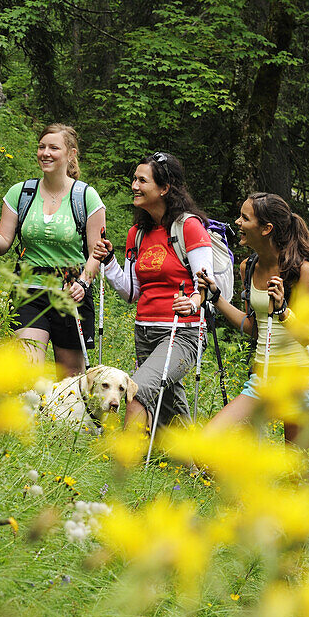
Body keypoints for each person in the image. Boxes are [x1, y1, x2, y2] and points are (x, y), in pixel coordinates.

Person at [91, 152, 213, 430]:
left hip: (182, 333)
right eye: (134, 179)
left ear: (164, 188)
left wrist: (193, 303)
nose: (134, 185)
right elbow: (131, 292)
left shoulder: (189, 227)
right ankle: (194, 464)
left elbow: (205, 283)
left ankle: (123, 463)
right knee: (168, 406)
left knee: (136, 392)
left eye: (142, 180)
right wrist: (109, 262)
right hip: (145, 331)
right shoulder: (137, 233)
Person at [0, 124, 106, 378]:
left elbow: (97, 253)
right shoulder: (21, 193)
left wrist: (84, 282)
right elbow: (2, 244)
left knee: (69, 382)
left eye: (53, 148)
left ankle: (61, 419)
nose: (45, 153)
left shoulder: (86, 197)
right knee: (25, 374)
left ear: (70, 154)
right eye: (41, 147)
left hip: (70, 293)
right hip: (29, 291)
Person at [198, 192, 309, 447]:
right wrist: (216, 298)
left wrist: (282, 311)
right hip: (262, 379)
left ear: (267, 228)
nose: (237, 222)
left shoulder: (300, 269)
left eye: (245, 218)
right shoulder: (248, 267)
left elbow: (307, 335)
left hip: (299, 380)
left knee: (297, 475)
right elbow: (253, 327)